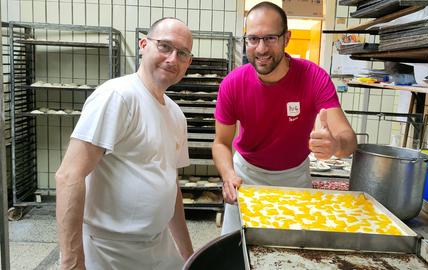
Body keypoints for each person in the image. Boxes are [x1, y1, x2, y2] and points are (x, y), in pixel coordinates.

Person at [55, 18, 194, 270]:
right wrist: (72, 262)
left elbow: (170, 187)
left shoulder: (175, 115)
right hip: (109, 250)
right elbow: (69, 175)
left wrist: (189, 256)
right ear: (143, 44)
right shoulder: (117, 96)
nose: (173, 58)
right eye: (165, 46)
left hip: (157, 244)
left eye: (182, 53)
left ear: (188, 62)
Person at [213, 2, 357, 235]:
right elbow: (221, 142)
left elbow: (348, 139)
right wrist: (228, 174)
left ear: (286, 39)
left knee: (292, 251)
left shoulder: (313, 77)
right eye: (253, 39)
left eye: (270, 38)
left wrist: (335, 145)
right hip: (246, 177)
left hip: (295, 178)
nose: (261, 49)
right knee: (237, 250)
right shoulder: (233, 83)